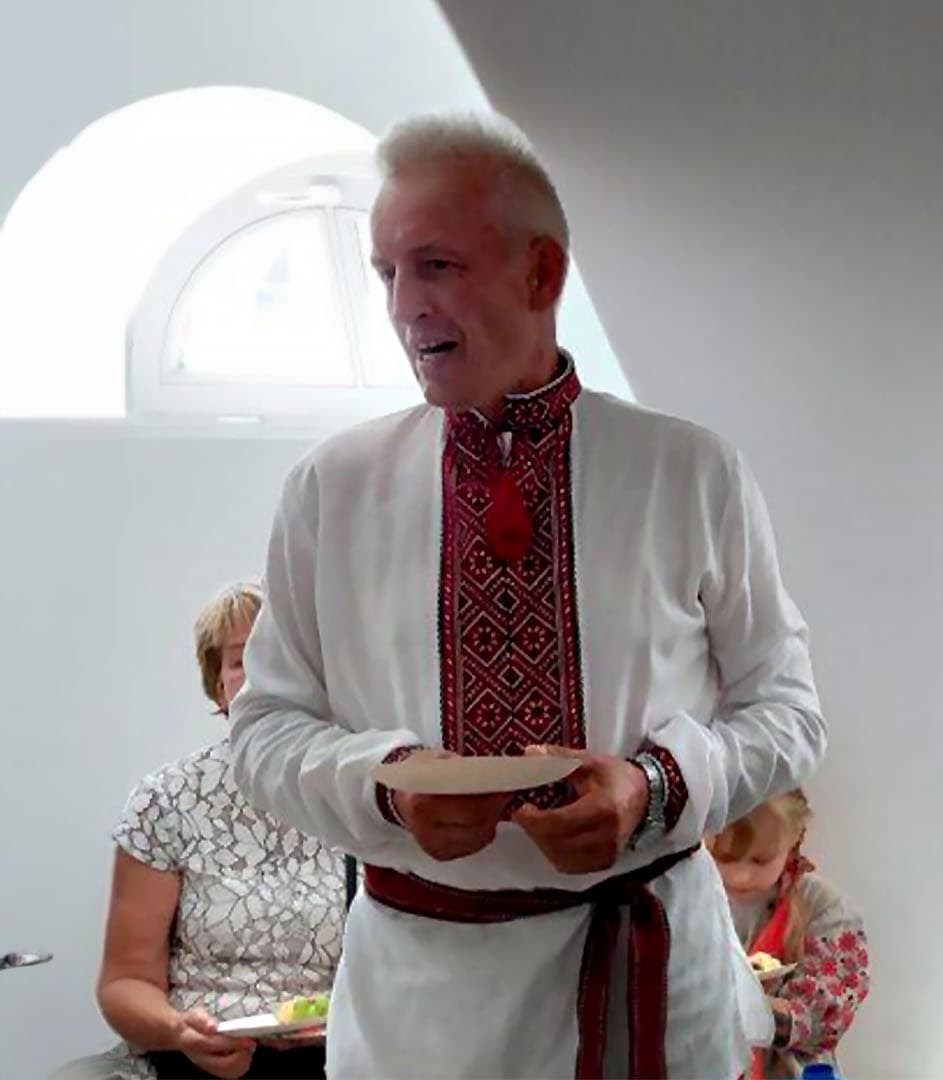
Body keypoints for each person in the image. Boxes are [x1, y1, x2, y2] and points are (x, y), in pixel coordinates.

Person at [227, 112, 826, 1079]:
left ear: (542, 274)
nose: (404, 306)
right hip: (420, 1017)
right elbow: (263, 733)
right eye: (386, 273)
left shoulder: (689, 471)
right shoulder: (329, 490)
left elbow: (788, 713)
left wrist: (655, 788)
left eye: (437, 266)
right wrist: (386, 785)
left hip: (649, 990)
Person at [85, 583, 345, 1080]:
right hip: (194, 1059)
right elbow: (124, 983)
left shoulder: (358, 795)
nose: (263, 673)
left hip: (339, 1057)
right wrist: (179, 1030)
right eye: (241, 660)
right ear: (219, 686)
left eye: (280, 655)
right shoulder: (166, 799)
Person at [708, 789, 870, 1079]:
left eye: (760, 860)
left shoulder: (822, 907)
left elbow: (833, 1007)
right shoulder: (692, 902)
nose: (741, 875)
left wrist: (763, 1014)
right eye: (725, 859)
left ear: (794, 838)